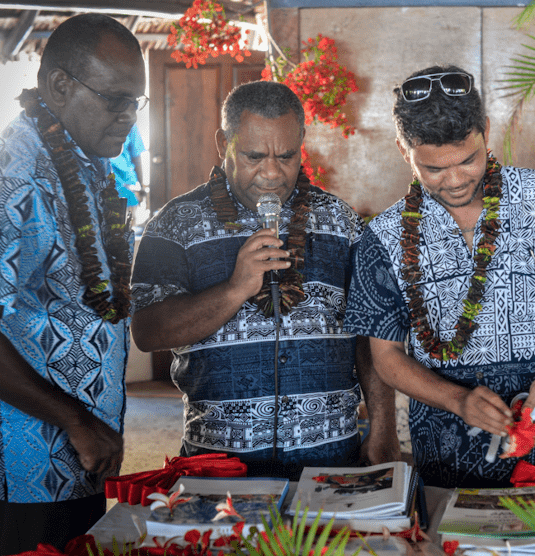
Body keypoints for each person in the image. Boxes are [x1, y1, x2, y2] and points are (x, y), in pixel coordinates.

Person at [344, 65, 535, 488]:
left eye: (468, 159)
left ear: (485, 130)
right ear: (402, 150)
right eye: (433, 169)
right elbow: (387, 357)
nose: (455, 180)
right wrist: (459, 400)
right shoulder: (384, 236)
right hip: (446, 438)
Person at [130, 80, 400, 480]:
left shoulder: (343, 224)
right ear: (224, 144)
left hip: (329, 460)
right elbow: (147, 332)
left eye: (287, 155)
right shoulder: (174, 226)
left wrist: (383, 427)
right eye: (254, 155)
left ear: (302, 141)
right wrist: (234, 289)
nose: (272, 173)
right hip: (218, 464)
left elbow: (369, 337)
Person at [0, 14, 146, 556]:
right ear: (59, 85)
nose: (127, 117)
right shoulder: (6, 177)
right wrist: (76, 422)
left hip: (80, 457)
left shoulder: (83, 161)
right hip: (28, 468)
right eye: (114, 99)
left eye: (134, 103)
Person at [110, 124, 145, 208]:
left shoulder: (131, 124)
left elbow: (136, 156)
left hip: (126, 187)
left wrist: (141, 186)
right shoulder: (129, 122)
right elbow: (136, 156)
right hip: (114, 186)